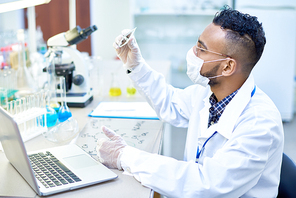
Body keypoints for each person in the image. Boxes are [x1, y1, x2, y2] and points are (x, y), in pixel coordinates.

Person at [96, 7, 284, 197]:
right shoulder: (208, 94)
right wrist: (135, 66)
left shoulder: (260, 124)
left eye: (201, 49)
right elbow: (170, 103)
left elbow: (206, 185)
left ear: (227, 66)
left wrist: (125, 156)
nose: (193, 53)